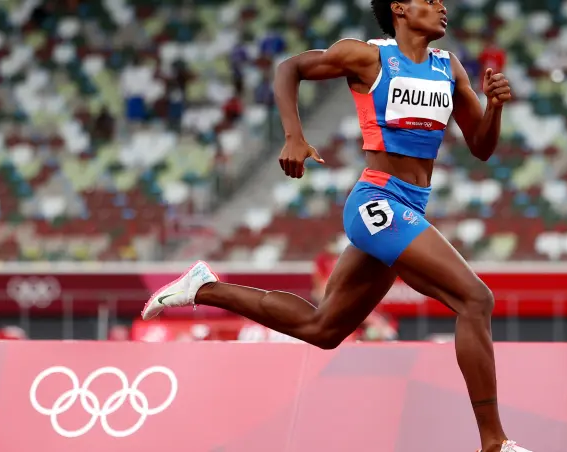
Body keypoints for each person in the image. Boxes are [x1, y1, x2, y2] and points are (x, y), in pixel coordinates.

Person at [142, 1, 526, 451]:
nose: (442, 5)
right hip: (378, 201)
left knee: (322, 328)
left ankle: (203, 288)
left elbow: (481, 146)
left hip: (411, 207)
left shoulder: (450, 67)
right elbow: (289, 68)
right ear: (399, 8)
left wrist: (494, 107)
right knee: (476, 299)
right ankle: (494, 443)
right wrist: (294, 135)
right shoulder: (366, 56)